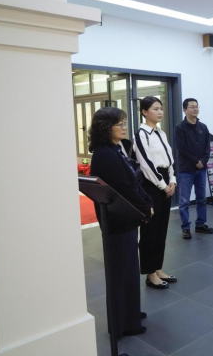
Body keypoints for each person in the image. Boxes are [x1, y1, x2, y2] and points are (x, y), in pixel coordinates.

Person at [88, 107, 152, 336]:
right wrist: (145, 208)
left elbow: (132, 180)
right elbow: (123, 187)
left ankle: (130, 312)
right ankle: (122, 324)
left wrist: (145, 201)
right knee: (122, 273)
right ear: (106, 127)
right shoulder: (105, 154)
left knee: (129, 271)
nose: (125, 127)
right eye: (120, 124)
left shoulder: (115, 148)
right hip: (117, 220)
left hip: (124, 218)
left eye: (125, 123)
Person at [135, 96, 177, 289]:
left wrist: (172, 180)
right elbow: (146, 164)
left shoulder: (161, 133)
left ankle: (158, 268)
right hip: (151, 184)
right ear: (144, 112)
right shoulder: (141, 134)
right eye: (155, 109)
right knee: (150, 230)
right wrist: (163, 185)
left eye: (161, 108)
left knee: (161, 228)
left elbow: (170, 160)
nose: (160, 112)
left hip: (165, 180)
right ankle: (150, 273)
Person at [174, 98, 213, 239]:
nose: (195, 109)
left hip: (201, 169)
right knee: (184, 201)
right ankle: (185, 227)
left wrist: (203, 161)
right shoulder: (180, 127)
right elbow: (182, 148)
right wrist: (196, 161)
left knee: (202, 198)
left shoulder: (203, 127)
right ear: (185, 110)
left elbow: (207, 147)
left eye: (197, 106)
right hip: (186, 169)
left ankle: (200, 224)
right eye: (192, 107)